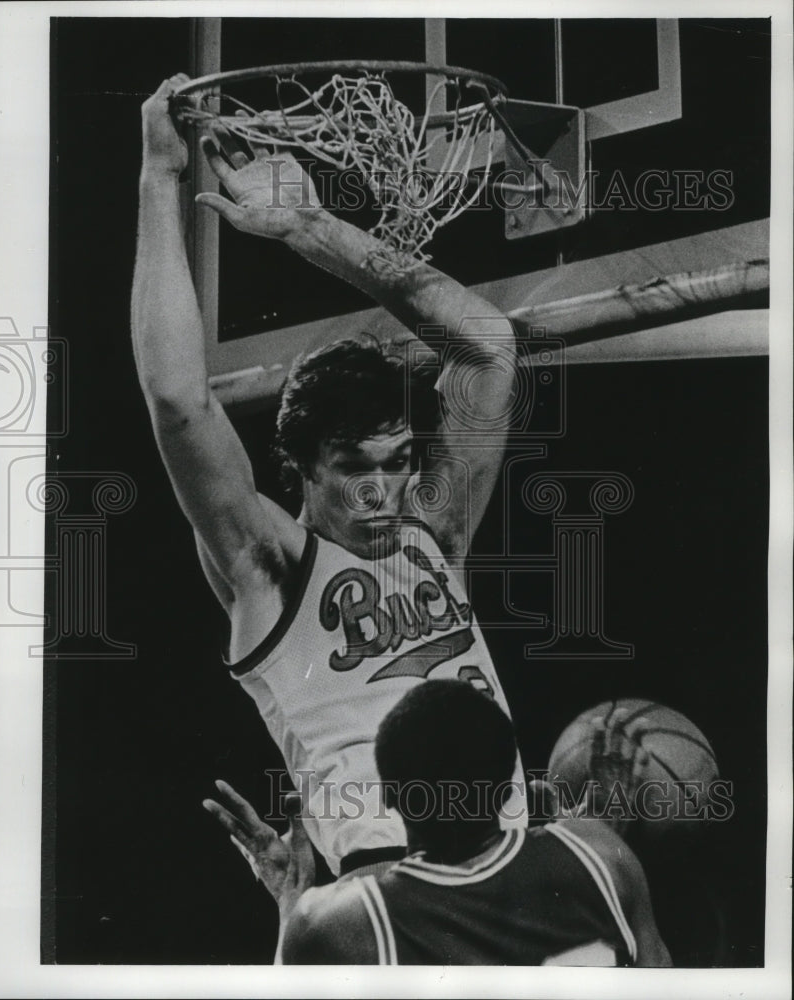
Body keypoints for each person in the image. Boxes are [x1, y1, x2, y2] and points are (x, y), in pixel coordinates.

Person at [132, 75, 527, 880]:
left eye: (398, 461)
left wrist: (312, 227)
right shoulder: (268, 567)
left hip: (516, 866)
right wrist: (159, 178)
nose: (381, 490)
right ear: (301, 469)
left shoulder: (433, 535)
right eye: (353, 468)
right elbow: (177, 398)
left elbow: (486, 346)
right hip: (391, 883)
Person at [205, 680, 672, 966]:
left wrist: (292, 903)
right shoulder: (601, 853)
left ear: (388, 797)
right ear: (511, 787)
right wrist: (602, 847)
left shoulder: (341, 922)